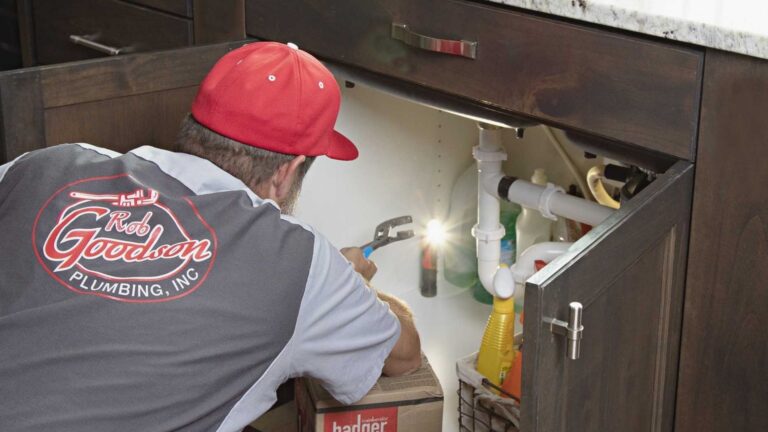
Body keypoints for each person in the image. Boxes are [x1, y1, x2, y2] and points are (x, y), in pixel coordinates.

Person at [0, 42, 421, 432]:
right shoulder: (302, 262)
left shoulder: (43, 165)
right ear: (286, 171)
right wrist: (356, 283)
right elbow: (403, 357)